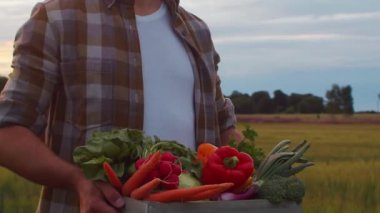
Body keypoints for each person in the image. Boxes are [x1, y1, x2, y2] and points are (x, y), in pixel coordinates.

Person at [0, 0, 241, 212]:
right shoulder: (57, 19)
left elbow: (223, 128)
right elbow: (7, 132)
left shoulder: (197, 31)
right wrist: (78, 180)